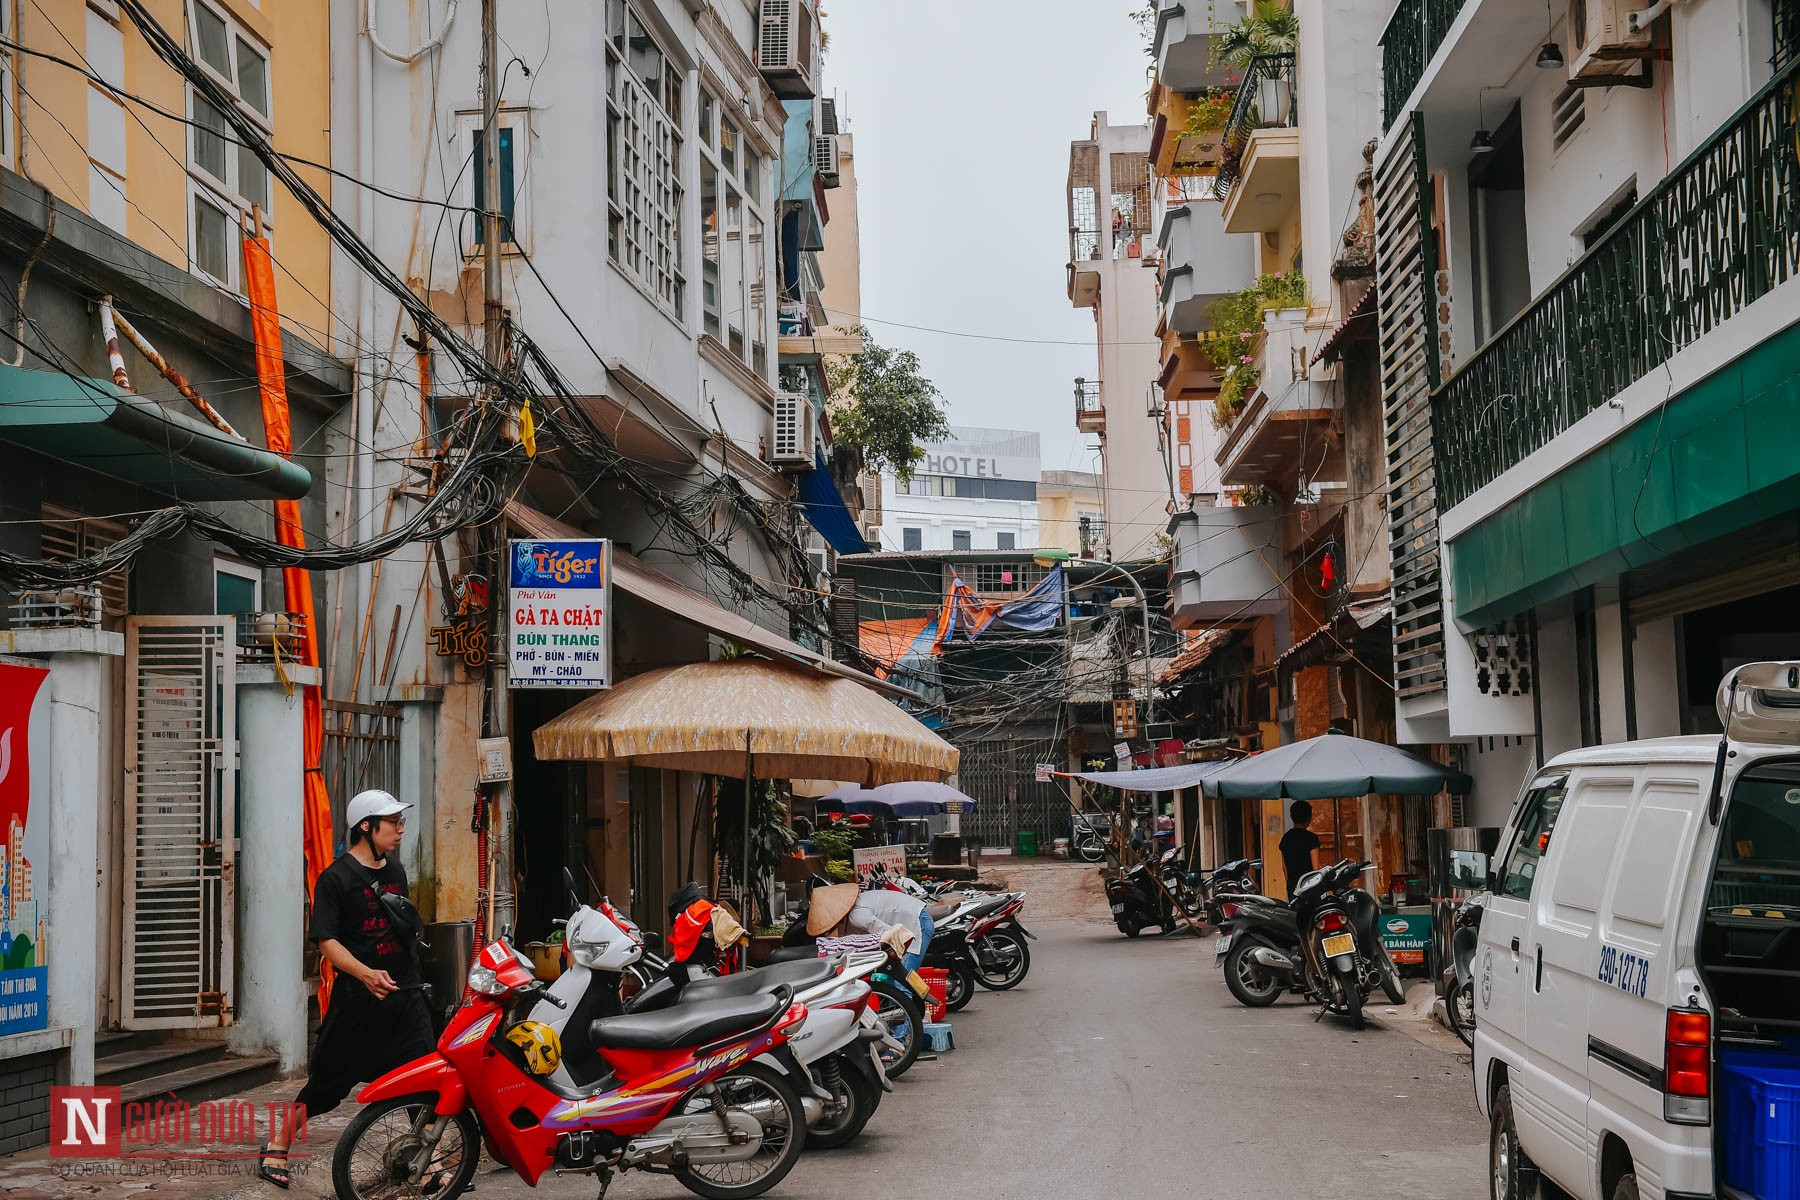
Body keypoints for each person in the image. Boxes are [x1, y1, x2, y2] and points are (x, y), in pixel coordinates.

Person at [260, 790, 435, 1189]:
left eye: (401, 822)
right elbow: (326, 940)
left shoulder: (396, 872)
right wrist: (365, 973)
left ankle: (427, 1161)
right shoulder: (335, 879)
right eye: (393, 823)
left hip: (405, 995)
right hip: (359, 1003)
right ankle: (278, 1144)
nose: (401, 830)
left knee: (424, 1080)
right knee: (326, 1084)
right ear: (366, 826)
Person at [856, 881, 936, 973]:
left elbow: (892, 933)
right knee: (890, 979)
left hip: (916, 923)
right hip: (909, 923)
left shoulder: (857, 916)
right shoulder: (858, 905)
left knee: (902, 982)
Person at [1278, 800, 1322, 900]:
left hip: (1293, 887)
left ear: (1292, 817)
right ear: (1309, 817)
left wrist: (1290, 885)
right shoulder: (1311, 838)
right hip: (1309, 887)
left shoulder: (1286, 838)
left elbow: (1284, 867)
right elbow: (1316, 868)